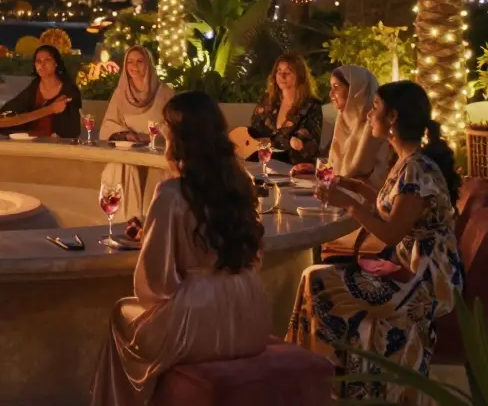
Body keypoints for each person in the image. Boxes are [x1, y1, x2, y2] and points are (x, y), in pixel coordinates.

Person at [91, 91, 270, 405]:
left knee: (122, 315)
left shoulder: (171, 193)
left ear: (179, 138)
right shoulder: (240, 183)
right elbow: (251, 254)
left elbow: (157, 285)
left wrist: (156, 241)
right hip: (250, 313)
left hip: (200, 320)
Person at [290, 81, 464, 401]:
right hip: (406, 267)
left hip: (424, 281)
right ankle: (312, 380)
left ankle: (318, 383)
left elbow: (390, 231)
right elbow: (388, 206)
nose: (369, 115)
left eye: (375, 108)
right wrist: (344, 183)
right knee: (315, 278)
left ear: (393, 117)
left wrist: (348, 203)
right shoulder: (407, 161)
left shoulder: (416, 169)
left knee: (317, 281)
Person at [244, 54, 323, 166]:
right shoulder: (269, 101)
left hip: (294, 168)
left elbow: (308, 145)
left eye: (288, 72)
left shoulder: (311, 106)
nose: (282, 76)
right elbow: (254, 132)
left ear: (300, 76)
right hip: (262, 166)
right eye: (279, 71)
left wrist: (271, 142)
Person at [0, 45, 82, 139]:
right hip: (31, 139)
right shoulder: (35, 86)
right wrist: (50, 109)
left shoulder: (69, 91)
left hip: (56, 145)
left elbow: (74, 131)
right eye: (38, 61)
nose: (42, 65)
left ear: (56, 63)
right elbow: (1, 118)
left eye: (47, 60)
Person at [327, 65, 391, 187]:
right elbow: (333, 169)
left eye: (336, 87)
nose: (331, 93)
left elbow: (363, 177)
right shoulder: (343, 120)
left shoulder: (375, 126)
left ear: (355, 90)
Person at [99, 46, 175, 143]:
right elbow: (108, 125)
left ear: (148, 64)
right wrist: (126, 135)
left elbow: (174, 128)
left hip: (158, 152)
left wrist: (150, 137)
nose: (134, 66)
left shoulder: (165, 92)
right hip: (128, 152)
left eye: (139, 61)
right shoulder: (121, 93)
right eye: (130, 62)